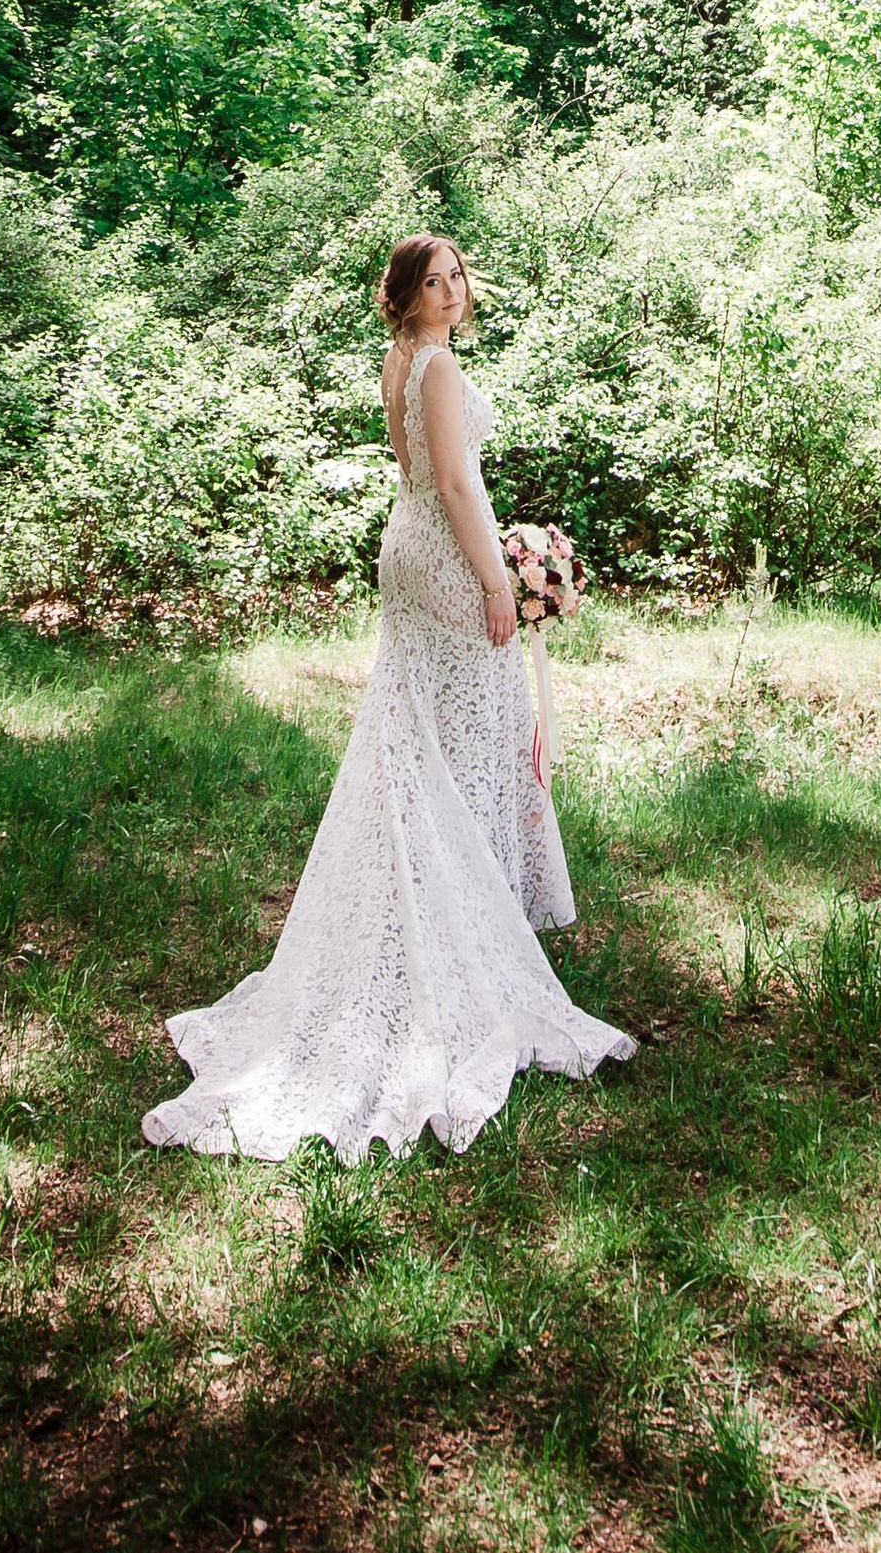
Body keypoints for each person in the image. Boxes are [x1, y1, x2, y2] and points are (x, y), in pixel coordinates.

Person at [141, 231, 634, 1161]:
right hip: (445, 555)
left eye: (456, 277)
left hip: (401, 548)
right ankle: (462, 926)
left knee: (415, 735)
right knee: (474, 731)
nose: (451, 292)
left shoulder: (397, 357)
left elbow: (419, 471)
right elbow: (453, 480)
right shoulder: (436, 365)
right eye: (432, 281)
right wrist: (500, 578)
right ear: (404, 295)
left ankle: (431, 899)